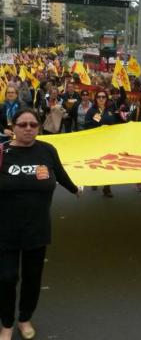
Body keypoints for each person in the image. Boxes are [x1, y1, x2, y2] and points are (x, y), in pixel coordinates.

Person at [0, 109, 81, 340]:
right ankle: (6, 324)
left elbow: (61, 174)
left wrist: (74, 189)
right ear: (12, 126)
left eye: (33, 125)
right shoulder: (2, 152)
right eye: (23, 124)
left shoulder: (47, 150)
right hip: (5, 230)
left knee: (32, 278)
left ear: (39, 127)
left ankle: (24, 318)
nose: (28, 129)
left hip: (37, 230)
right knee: (6, 278)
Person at [85, 90, 119, 197]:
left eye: (103, 97)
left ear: (106, 98)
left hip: (109, 141)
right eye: (99, 97)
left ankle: (107, 187)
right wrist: (99, 127)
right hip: (96, 142)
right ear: (95, 99)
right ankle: (95, 180)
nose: (101, 99)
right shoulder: (92, 111)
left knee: (109, 163)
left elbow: (116, 123)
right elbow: (87, 125)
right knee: (97, 162)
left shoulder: (111, 109)